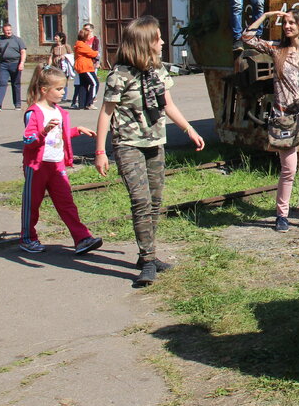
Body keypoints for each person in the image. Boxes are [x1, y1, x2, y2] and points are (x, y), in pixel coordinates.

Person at [94, 15, 205, 286]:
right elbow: (106, 113)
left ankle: (149, 255)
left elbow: (168, 105)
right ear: (145, 43)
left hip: (155, 142)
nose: (163, 42)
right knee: (141, 201)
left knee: (155, 201)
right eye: (158, 38)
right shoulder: (119, 75)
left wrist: (189, 129)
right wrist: (100, 151)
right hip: (128, 144)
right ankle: (147, 258)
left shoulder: (158, 71)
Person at [243, 8, 299, 232]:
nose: (287, 26)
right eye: (285, 22)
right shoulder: (276, 49)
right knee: (288, 169)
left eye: (292, 23)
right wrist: (266, 17)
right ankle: (281, 215)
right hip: (284, 119)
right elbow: (247, 38)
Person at [19, 65, 103, 255]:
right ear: (44, 90)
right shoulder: (34, 112)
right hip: (37, 166)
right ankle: (27, 238)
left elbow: (59, 135)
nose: (62, 92)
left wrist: (77, 130)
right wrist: (44, 130)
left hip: (57, 165)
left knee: (67, 203)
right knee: (32, 203)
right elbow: (29, 139)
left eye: (63, 88)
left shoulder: (59, 111)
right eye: (58, 89)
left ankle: (82, 238)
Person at [0, 23, 27, 110]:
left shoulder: (18, 40)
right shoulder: (0, 40)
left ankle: (17, 104)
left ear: (11, 30)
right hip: (3, 64)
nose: (8, 32)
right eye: (6, 31)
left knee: (16, 84)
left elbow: (23, 52)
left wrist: (22, 63)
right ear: (3, 31)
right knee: (2, 83)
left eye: (9, 30)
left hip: (16, 63)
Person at [73, 29, 100, 110]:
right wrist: (96, 53)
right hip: (85, 67)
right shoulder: (81, 44)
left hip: (84, 67)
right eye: (89, 35)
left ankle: (82, 103)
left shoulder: (81, 44)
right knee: (95, 83)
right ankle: (89, 102)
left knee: (84, 85)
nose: (91, 36)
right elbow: (92, 53)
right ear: (85, 36)